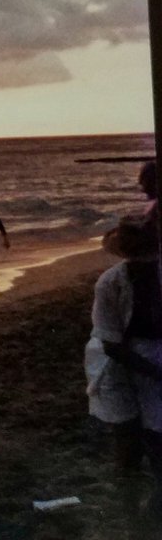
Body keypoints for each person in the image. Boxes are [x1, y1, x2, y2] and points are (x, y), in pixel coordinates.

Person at [85, 215, 162, 518]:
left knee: (155, 428)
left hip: (147, 354)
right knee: (127, 431)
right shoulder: (111, 281)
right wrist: (156, 372)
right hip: (115, 361)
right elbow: (110, 344)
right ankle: (131, 502)